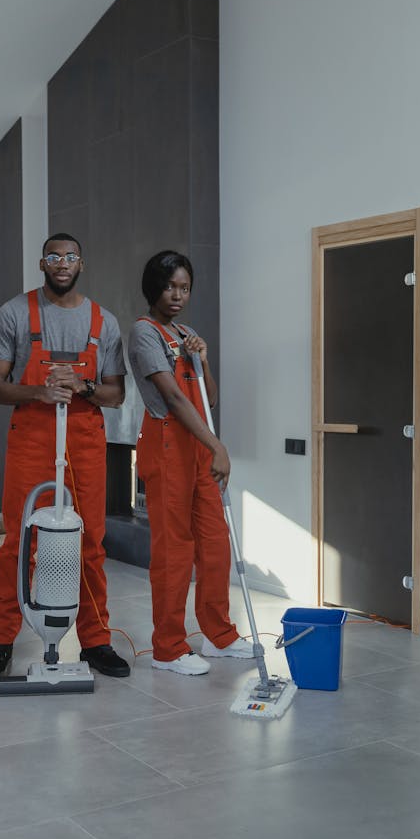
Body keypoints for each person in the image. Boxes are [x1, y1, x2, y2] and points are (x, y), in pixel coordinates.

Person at [0, 233, 130, 683]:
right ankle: (0, 642)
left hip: (84, 438)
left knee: (91, 543)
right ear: (41, 263)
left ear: (81, 263)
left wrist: (82, 386)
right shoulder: (14, 314)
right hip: (31, 435)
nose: (62, 263)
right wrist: (40, 391)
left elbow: (116, 393)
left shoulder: (105, 322)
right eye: (53, 257)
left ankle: (97, 641)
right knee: (17, 543)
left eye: (70, 257)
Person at [127, 251, 253, 676]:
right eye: (169, 287)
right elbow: (174, 398)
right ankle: (168, 647)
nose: (177, 295)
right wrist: (217, 445)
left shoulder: (187, 333)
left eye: (184, 288)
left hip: (198, 446)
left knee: (215, 542)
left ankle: (220, 635)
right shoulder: (144, 334)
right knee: (173, 549)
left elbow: (208, 397)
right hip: (167, 446)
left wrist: (203, 359)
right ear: (153, 288)